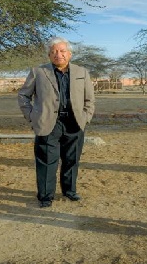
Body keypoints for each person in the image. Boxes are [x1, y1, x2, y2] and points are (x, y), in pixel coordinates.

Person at [18, 37, 95, 208]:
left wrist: (86, 117)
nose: (58, 54)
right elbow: (23, 95)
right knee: (46, 161)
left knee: (71, 159)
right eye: (53, 51)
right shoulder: (38, 72)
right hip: (47, 123)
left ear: (70, 54)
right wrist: (32, 116)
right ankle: (46, 196)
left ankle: (69, 190)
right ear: (49, 55)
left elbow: (89, 99)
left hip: (74, 122)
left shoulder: (82, 72)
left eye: (62, 51)